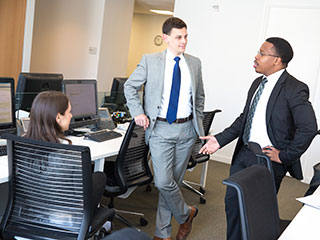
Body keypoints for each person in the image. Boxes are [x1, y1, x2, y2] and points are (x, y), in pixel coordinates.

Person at [199, 37, 318, 240]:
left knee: (256, 214)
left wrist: (285, 155)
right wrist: (219, 140)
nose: (256, 57)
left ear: (277, 60)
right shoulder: (257, 83)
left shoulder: (294, 88)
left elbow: (309, 128)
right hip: (244, 153)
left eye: (262, 53)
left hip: (266, 160)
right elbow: (245, 119)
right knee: (233, 204)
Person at [124, 17, 205, 240]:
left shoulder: (195, 63)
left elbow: (199, 98)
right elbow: (130, 86)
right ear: (166, 38)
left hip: (187, 131)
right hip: (160, 130)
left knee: (173, 184)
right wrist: (138, 112)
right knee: (162, 181)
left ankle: (162, 234)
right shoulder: (150, 61)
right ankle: (187, 213)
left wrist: (197, 125)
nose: (183, 41)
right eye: (178, 37)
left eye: (186, 36)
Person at [26, 91, 106, 214]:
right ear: (58, 117)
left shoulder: (20, 147)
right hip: (65, 222)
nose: (71, 115)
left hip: (29, 217)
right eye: (69, 112)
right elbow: (81, 195)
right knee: (100, 177)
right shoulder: (70, 154)